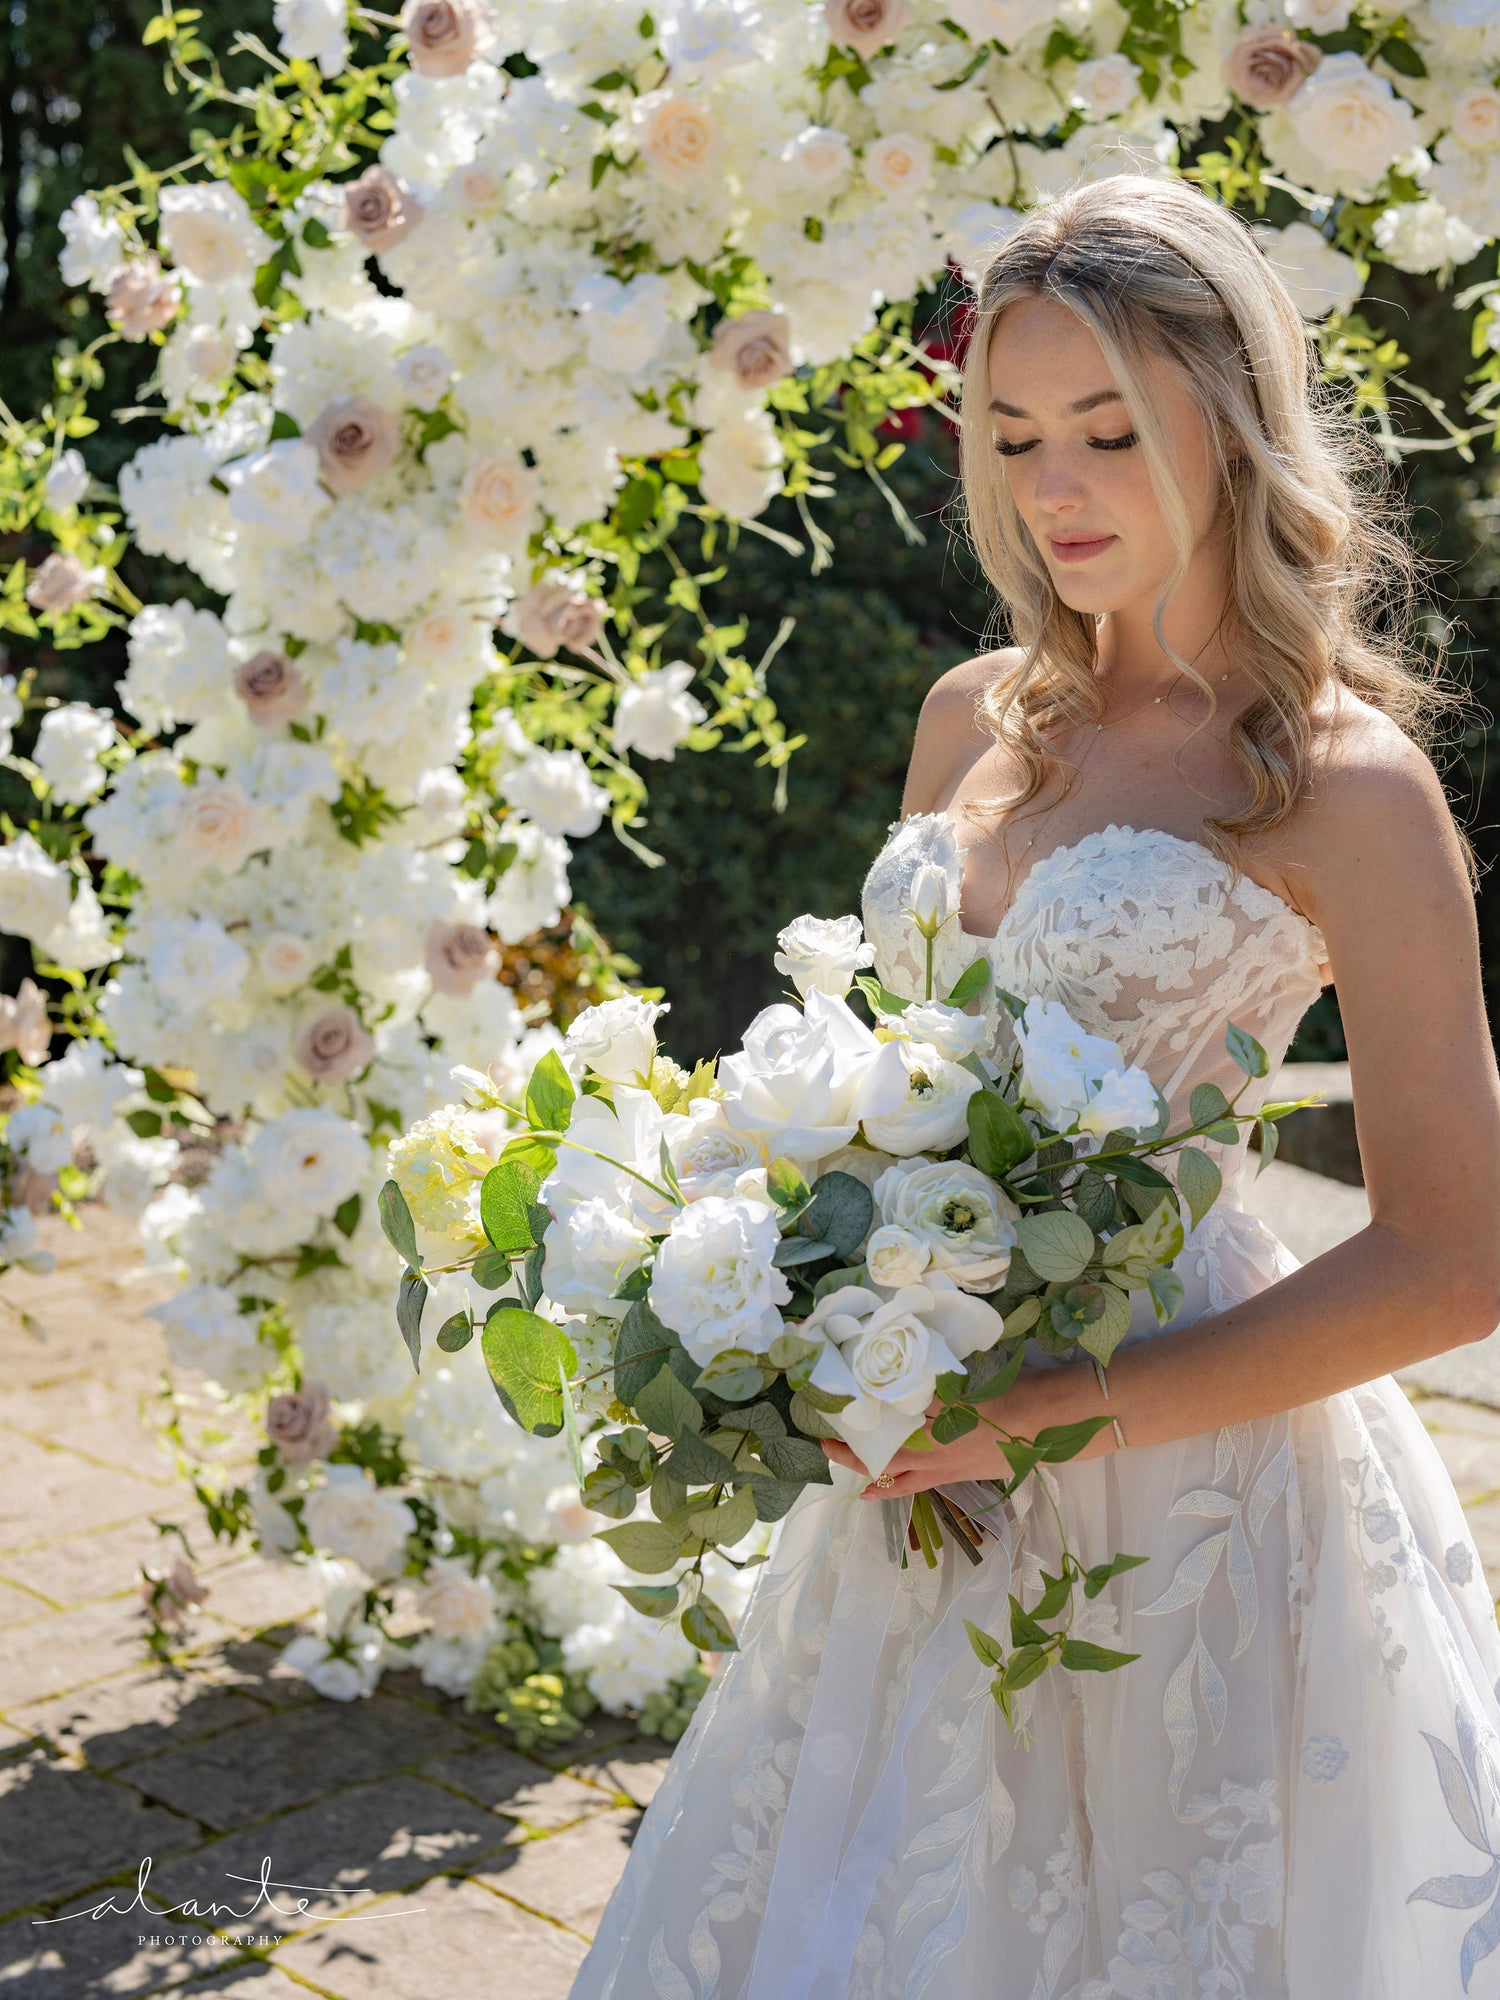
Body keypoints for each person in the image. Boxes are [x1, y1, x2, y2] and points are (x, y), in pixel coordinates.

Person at [566, 176, 1500, 2000]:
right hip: (920, 1423)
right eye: (1013, 437)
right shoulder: (969, 721)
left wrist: (1049, 1415)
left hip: (1199, 1472)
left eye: (1107, 431)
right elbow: (897, 1076)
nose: (1055, 487)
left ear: (1227, 433)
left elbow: (1458, 1257)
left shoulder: (1340, 782)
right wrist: (792, 1263)